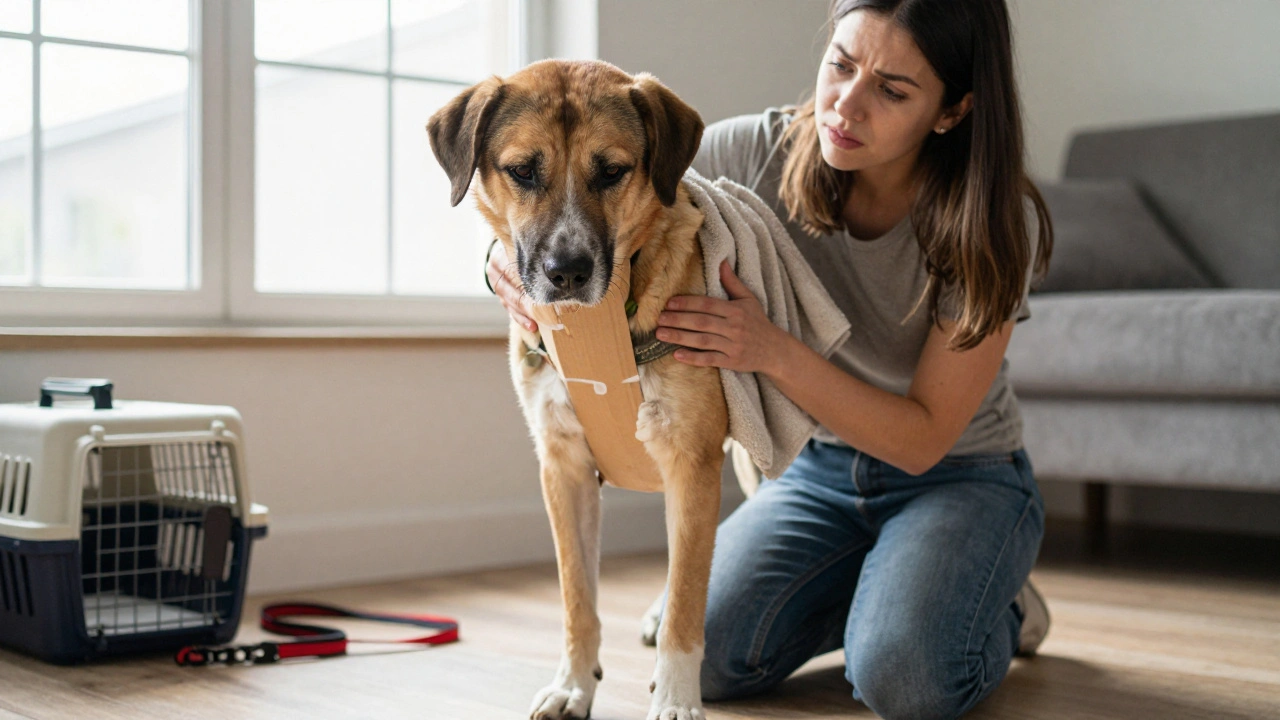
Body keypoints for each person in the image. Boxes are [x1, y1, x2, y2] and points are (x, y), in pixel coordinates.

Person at [486, 1, 1053, 717]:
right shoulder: (757, 150)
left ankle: (992, 601)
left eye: (893, 90)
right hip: (818, 469)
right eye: (841, 64)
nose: (846, 104)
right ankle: (894, 585)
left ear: (951, 111)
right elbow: (600, 193)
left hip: (958, 477)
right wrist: (500, 265)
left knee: (906, 679)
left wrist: (772, 351)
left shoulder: (995, 222)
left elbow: (923, 439)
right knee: (712, 657)